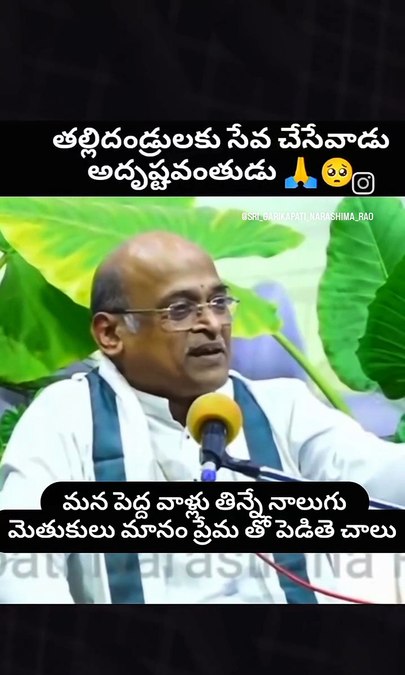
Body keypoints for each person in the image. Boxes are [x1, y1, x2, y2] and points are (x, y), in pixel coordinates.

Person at [0, 230, 405, 604]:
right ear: (111, 333)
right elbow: (22, 566)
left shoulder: (282, 406)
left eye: (219, 302)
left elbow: (379, 474)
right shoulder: (65, 418)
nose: (211, 323)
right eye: (179, 310)